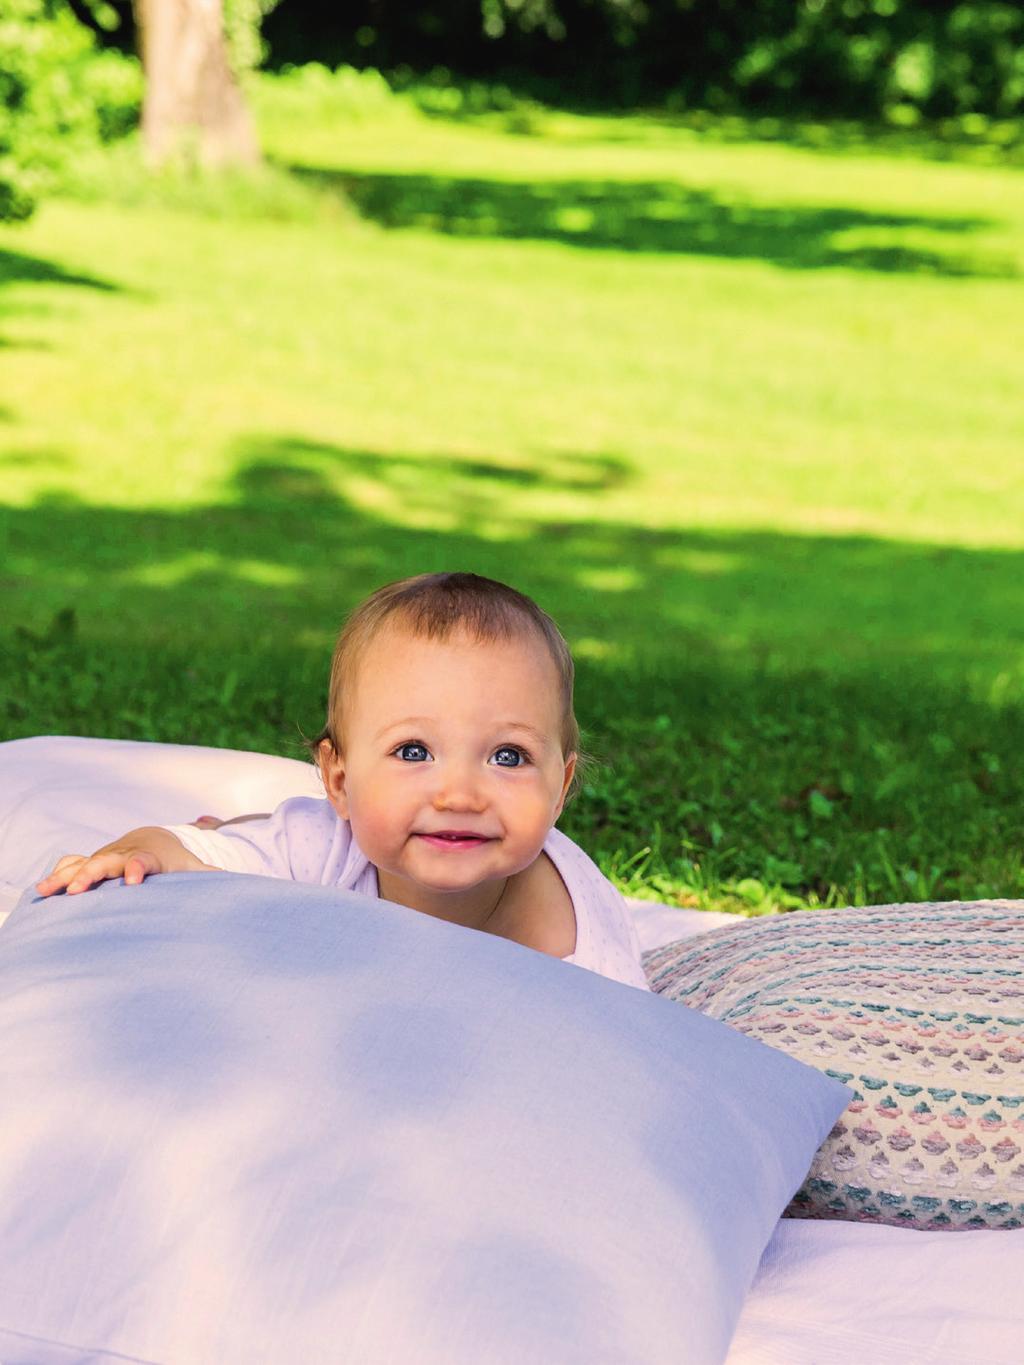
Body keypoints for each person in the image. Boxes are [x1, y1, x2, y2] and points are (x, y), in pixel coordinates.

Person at [37, 573, 650, 991]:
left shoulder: (581, 950)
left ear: (561, 787)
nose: (460, 795)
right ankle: (242, 830)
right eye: (414, 750)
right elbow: (175, 854)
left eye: (509, 757)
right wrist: (135, 853)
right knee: (244, 854)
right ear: (338, 779)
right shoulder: (330, 850)